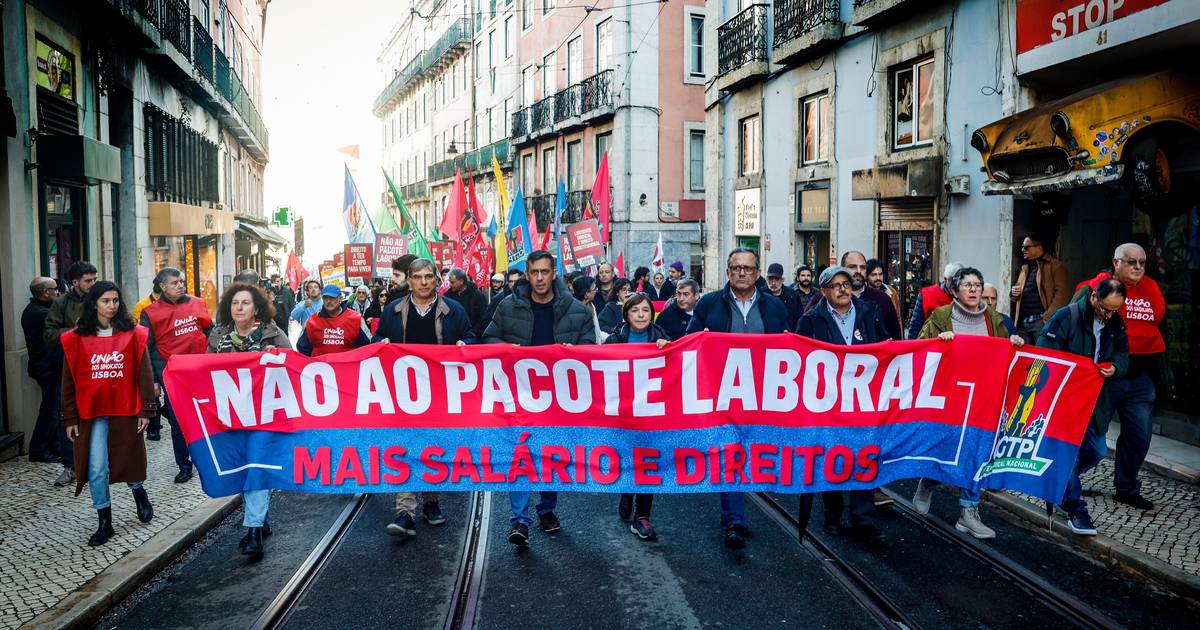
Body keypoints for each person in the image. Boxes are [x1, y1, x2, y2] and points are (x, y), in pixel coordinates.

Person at [482, 250, 596, 547]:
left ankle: (546, 509)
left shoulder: (577, 310)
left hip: (558, 397)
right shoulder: (507, 306)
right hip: (518, 395)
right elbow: (489, 338)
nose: (540, 278)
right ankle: (519, 520)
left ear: (554, 273)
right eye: (535, 272)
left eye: (545, 272)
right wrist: (508, 349)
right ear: (528, 274)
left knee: (550, 455)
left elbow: (591, 349)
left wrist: (574, 353)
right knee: (519, 455)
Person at [685, 248, 789, 549]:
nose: (742, 273)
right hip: (723, 396)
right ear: (728, 272)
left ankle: (735, 509)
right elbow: (689, 344)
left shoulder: (775, 307)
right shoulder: (709, 304)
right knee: (729, 453)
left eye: (748, 268)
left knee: (755, 453)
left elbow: (791, 346)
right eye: (736, 268)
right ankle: (735, 520)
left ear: (758, 273)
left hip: (764, 395)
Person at [910, 267, 1025, 539]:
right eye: (967, 285)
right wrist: (938, 341)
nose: (973, 290)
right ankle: (929, 481)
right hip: (950, 396)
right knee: (948, 449)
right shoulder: (941, 317)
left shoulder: (995, 319)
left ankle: (968, 513)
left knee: (976, 451)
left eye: (977, 285)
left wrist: (1014, 342)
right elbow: (919, 347)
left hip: (983, 398)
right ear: (955, 290)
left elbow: (1007, 353)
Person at [374, 259, 473, 539]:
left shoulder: (453, 310)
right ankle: (404, 512)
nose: (424, 282)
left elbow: (471, 335)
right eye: (417, 277)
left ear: (436, 279)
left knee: (433, 446)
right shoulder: (393, 310)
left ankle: (431, 502)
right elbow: (378, 337)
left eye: (429, 276)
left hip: (440, 391)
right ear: (409, 280)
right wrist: (381, 344)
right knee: (404, 448)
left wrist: (465, 345)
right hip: (404, 392)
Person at [795, 266, 890, 549]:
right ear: (824, 291)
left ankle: (864, 518)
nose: (843, 289)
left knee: (864, 456)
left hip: (864, 400)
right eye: (835, 285)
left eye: (846, 283)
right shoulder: (811, 320)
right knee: (832, 456)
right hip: (828, 402)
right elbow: (801, 358)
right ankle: (833, 514)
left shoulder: (869, 312)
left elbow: (887, 345)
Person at [1070, 243, 1164, 511]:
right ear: (1116, 263)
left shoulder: (1152, 288)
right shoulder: (1096, 287)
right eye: (1132, 262)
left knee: (1139, 434)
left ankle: (1127, 488)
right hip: (1105, 376)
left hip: (1140, 376)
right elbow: (1076, 321)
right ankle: (1067, 479)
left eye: (1142, 262)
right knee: (1092, 435)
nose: (1138, 267)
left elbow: (1158, 320)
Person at [61, 281, 155, 546]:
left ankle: (138, 492)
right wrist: (69, 417)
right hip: (91, 413)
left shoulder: (133, 334)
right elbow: (68, 380)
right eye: (105, 301)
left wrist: (146, 410)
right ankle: (105, 521)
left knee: (128, 458)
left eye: (115, 300)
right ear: (93, 304)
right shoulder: (76, 338)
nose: (111, 306)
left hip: (125, 408)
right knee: (96, 468)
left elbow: (144, 374)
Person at [1038, 277, 1129, 535]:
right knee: (1069, 454)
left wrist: (1116, 367)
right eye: (1105, 309)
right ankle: (1077, 511)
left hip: (1094, 400)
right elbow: (1044, 352)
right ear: (1093, 298)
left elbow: (1123, 354)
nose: (1109, 315)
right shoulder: (1066, 317)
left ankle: (1058, 481)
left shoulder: (1116, 322)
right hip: (1064, 399)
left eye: (1115, 310)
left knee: (1097, 450)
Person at [207, 282, 291, 559]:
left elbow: (293, 366)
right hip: (230, 417)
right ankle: (261, 519)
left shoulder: (272, 334)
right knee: (243, 468)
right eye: (234, 303)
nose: (239, 307)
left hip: (264, 415)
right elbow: (204, 371)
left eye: (245, 303)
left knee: (256, 466)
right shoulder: (218, 337)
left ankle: (253, 531)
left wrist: (275, 359)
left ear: (256, 308)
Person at [605, 293, 671, 541]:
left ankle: (642, 515)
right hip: (622, 411)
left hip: (651, 412)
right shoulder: (614, 339)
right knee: (626, 458)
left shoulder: (661, 337)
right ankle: (626, 491)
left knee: (648, 462)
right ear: (626, 315)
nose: (641, 315)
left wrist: (669, 348)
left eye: (645, 310)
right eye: (635, 311)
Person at [141, 267, 213, 483]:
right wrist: (154, 380)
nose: (181, 285)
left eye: (182, 281)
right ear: (163, 287)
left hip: (200, 370)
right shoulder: (150, 312)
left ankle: (207, 458)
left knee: (204, 416)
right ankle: (184, 464)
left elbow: (211, 332)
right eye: (175, 283)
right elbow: (146, 349)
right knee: (179, 422)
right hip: (172, 375)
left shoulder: (197, 303)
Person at [23, 277, 71, 475]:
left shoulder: (37, 309)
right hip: (47, 368)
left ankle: (52, 447)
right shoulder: (40, 313)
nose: (58, 292)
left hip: (48, 366)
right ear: (45, 292)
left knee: (54, 408)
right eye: (55, 289)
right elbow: (60, 333)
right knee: (50, 410)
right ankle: (39, 449)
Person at [1010, 233, 1070, 345]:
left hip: (1041, 322)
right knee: (1023, 354)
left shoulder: (1056, 266)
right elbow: (1016, 294)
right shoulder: (1025, 267)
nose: (1023, 250)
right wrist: (1013, 293)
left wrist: (1047, 318)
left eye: (1027, 247)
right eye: (1022, 247)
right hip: (1022, 324)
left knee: (1042, 354)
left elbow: (1062, 295)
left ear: (1039, 247)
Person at [836, 251, 902, 341]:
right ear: (842, 269)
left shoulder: (883, 299)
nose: (858, 271)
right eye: (852, 267)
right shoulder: (828, 298)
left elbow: (895, 337)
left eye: (862, 267)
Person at [297, 284, 370, 356]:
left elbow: (367, 346)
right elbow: (302, 348)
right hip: (320, 363)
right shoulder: (312, 321)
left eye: (332, 297)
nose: (328, 301)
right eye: (325, 298)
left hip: (348, 363)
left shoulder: (356, 319)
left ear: (340, 299)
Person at [907, 262, 962, 340]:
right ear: (945, 279)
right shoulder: (927, 295)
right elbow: (915, 328)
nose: (957, 284)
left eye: (961, 281)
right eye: (954, 280)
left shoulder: (968, 297)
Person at [444, 268, 488, 335]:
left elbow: (483, 319)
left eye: (452, 282)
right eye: (450, 282)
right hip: (452, 335)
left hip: (472, 335)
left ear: (461, 281)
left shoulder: (477, 296)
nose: (450, 285)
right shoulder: (447, 295)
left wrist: (472, 334)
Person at [481, 269, 523, 333]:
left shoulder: (529, 297)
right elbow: (487, 322)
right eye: (511, 281)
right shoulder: (498, 299)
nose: (513, 284)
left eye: (516, 281)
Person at [765, 263, 802, 330]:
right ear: (766, 279)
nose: (773, 283)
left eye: (777, 279)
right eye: (771, 279)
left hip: (789, 333)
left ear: (782, 280)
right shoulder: (760, 294)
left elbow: (799, 317)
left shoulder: (793, 295)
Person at [572, 275, 608, 343]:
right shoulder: (576, 312)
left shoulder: (592, 305)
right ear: (586, 294)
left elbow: (597, 332)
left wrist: (610, 337)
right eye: (594, 289)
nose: (596, 290)